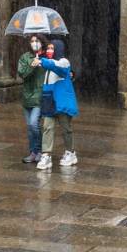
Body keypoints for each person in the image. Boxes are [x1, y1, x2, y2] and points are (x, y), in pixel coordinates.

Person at [34, 39, 79, 171]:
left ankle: (70, 152)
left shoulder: (63, 62)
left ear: (58, 49)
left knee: (66, 128)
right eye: (48, 48)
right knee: (47, 127)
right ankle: (46, 154)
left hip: (61, 101)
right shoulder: (48, 64)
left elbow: (57, 67)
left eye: (52, 48)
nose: (49, 51)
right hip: (49, 101)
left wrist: (42, 61)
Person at [17, 35, 47, 163]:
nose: (34, 43)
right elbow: (22, 73)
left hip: (40, 96)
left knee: (34, 124)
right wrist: (32, 66)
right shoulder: (25, 57)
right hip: (27, 96)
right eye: (32, 41)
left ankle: (39, 150)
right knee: (30, 126)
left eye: (37, 41)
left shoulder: (47, 57)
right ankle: (33, 152)